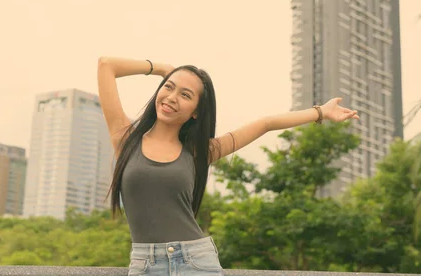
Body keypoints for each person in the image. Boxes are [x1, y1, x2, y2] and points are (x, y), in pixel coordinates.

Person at [97, 57, 359, 275]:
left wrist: (321, 112)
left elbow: (264, 124)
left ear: (196, 112)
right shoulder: (125, 138)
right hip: (145, 265)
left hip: (196, 262)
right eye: (169, 87)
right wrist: (164, 70)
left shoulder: (200, 153)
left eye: (185, 94)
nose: (172, 97)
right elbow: (106, 65)